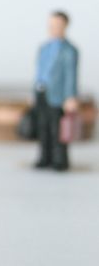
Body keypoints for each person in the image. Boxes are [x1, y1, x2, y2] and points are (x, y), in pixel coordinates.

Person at [33, 11, 79, 171]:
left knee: (58, 129)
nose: (53, 28)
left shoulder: (70, 50)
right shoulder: (44, 48)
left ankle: (60, 160)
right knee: (43, 127)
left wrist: (71, 96)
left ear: (65, 26)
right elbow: (39, 71)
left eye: (57, 25)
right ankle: (44, 157)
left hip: (59, 95)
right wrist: (34, 92)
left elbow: (71, 75)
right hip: (42, 92)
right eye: (51, 25)